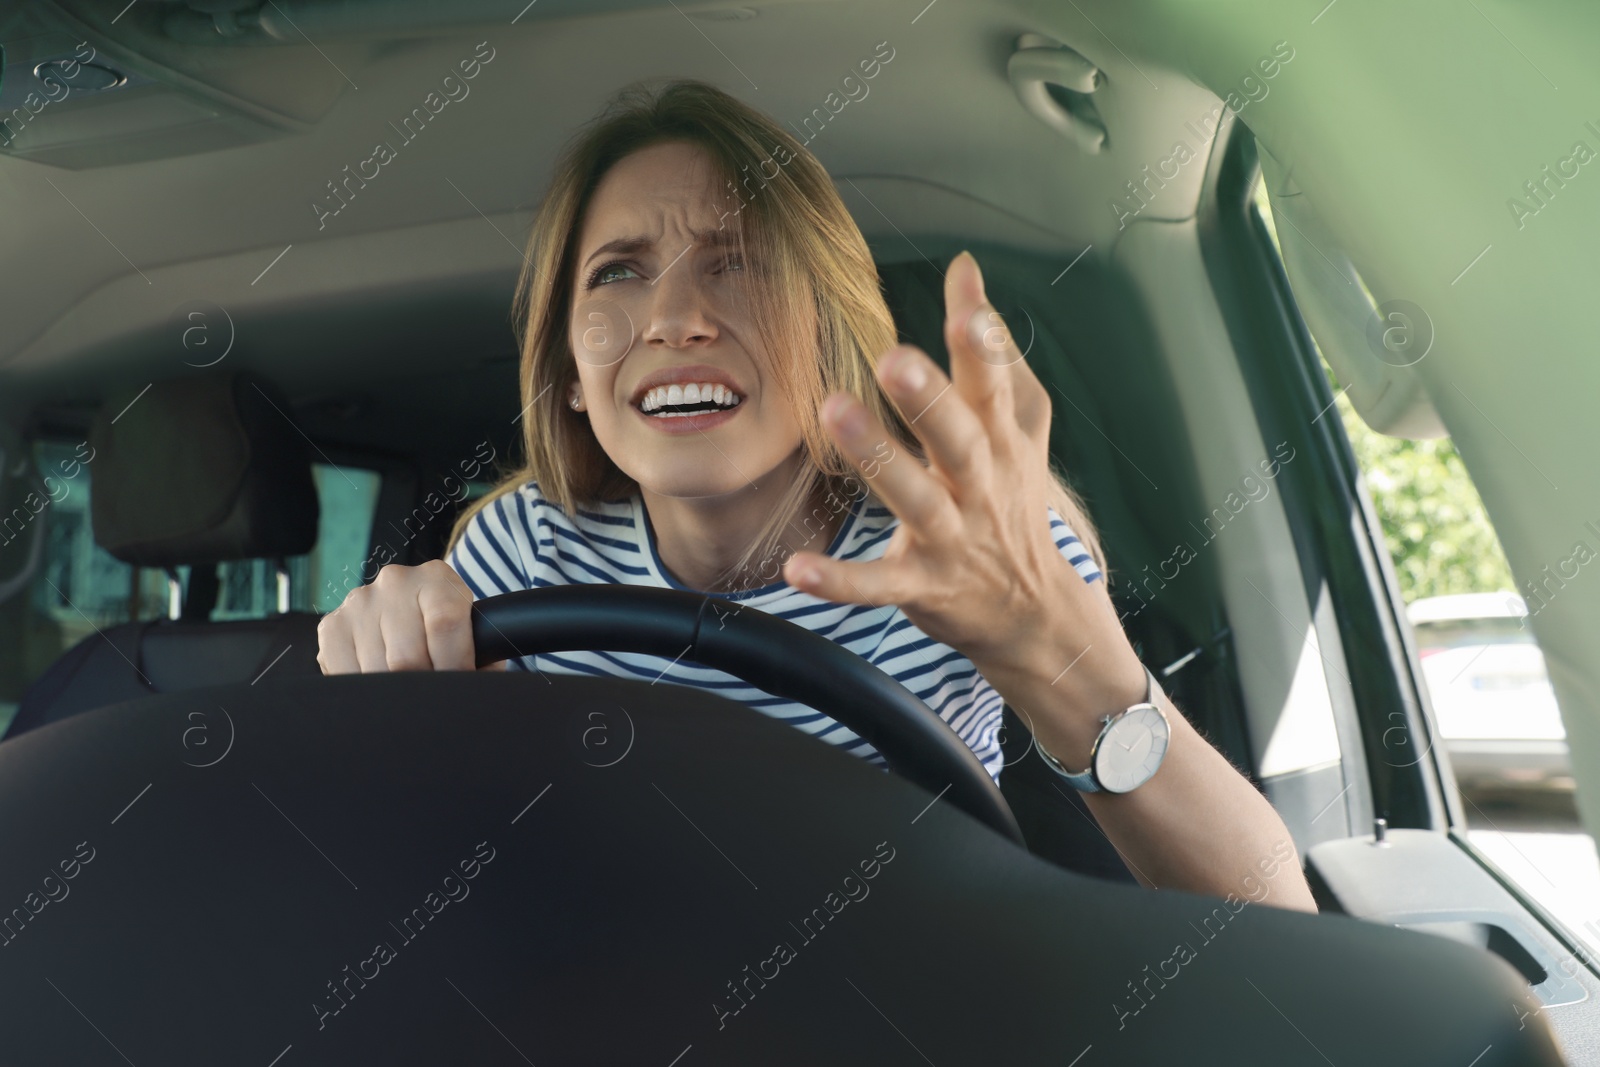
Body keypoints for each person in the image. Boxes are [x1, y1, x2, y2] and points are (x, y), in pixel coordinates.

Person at [316, 79, 1316, 912]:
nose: (673, 316)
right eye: (618, 272)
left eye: (737, 261)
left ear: (826, 327)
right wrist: (397, 690)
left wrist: (1079, 671)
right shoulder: (527, 550)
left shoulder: (957, 543)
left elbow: (1281, 934)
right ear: (572, 368)